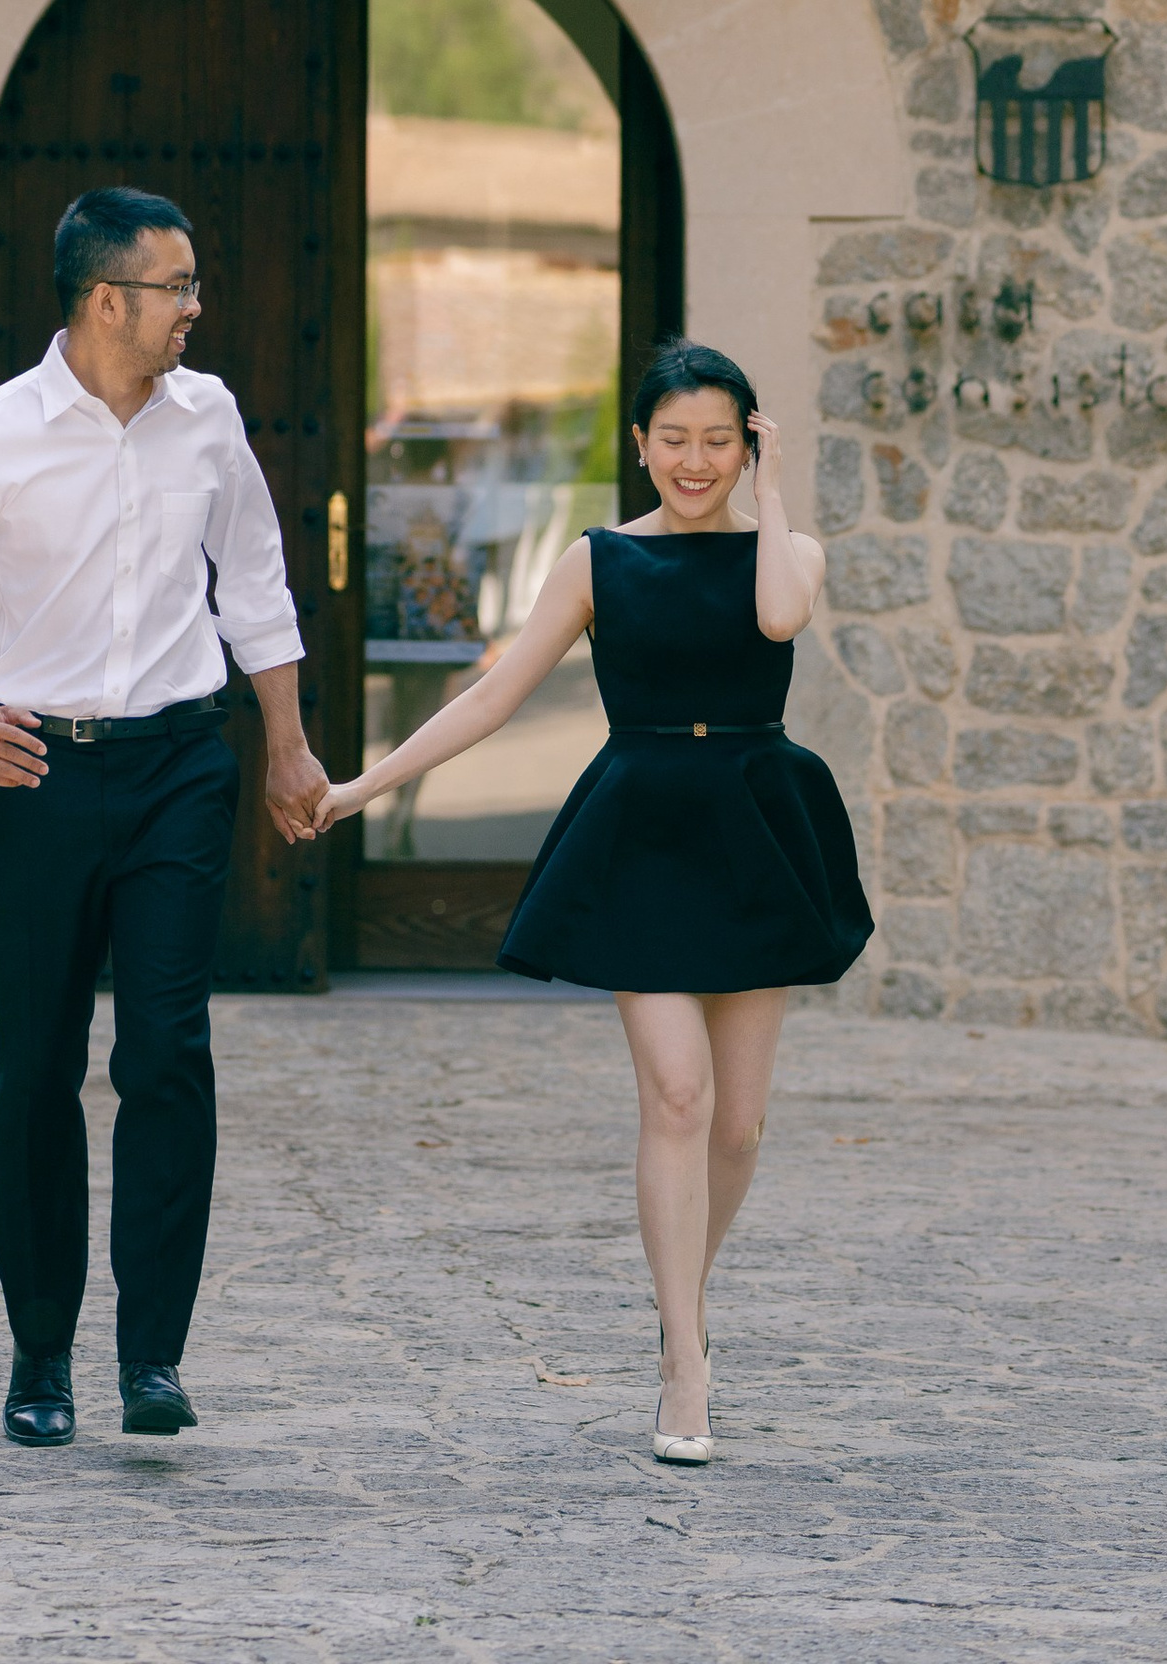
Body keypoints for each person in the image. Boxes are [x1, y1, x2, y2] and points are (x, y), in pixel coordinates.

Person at [317, 335, 870, 1467]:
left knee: (737, 1121)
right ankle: (684, 1360)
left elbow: (773, 619)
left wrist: (770, 494)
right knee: (676, 1094)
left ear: (748, 442)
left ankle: (686, 1303)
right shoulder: (598, 561)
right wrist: (360, 786)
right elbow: (491, 700)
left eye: (719, 439)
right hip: (646, 830)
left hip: (757, 827)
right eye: (674, 440)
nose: (694, 460)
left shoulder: (792, 549)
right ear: (639, 445)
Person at [0, 185, 329, 1449]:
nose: (197, 307)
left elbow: (255, 584)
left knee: (168, 1054)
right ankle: (38, 1359)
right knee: (37, 1066)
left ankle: (154, 1362)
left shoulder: (209, 416)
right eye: (178, 286)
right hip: (37, 779)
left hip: (181, 763)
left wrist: (285, 746)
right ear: (106, 300)